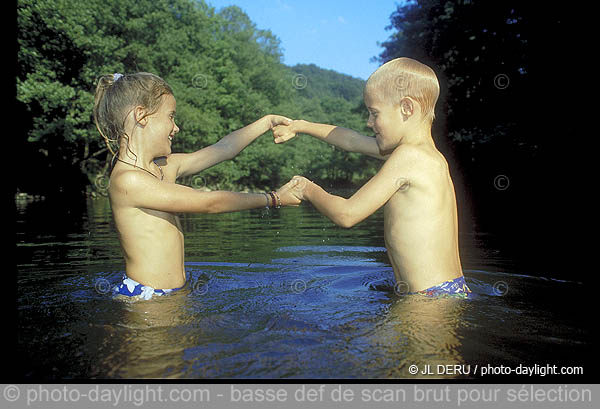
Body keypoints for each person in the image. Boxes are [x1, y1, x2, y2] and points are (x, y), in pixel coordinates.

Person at [273, 58, 470, 298]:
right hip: (448, 291)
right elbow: (351, 141)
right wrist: (302, 126)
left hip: (429, 301)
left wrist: (307, 189)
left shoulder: (408, 157)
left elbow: (347, 214)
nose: (369, 122)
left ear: (407, 108)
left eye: (374, 113)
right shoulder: (428, 157)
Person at [93, 72, 300, 300]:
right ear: (141, 115)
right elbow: (210, 203)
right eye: (171, 116)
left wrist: (266, 122)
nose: (176, 127)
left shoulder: (163, 167)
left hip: (170, 295)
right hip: (147, 299)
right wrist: (273, 198)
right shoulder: (128, 180)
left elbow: (223, 149)